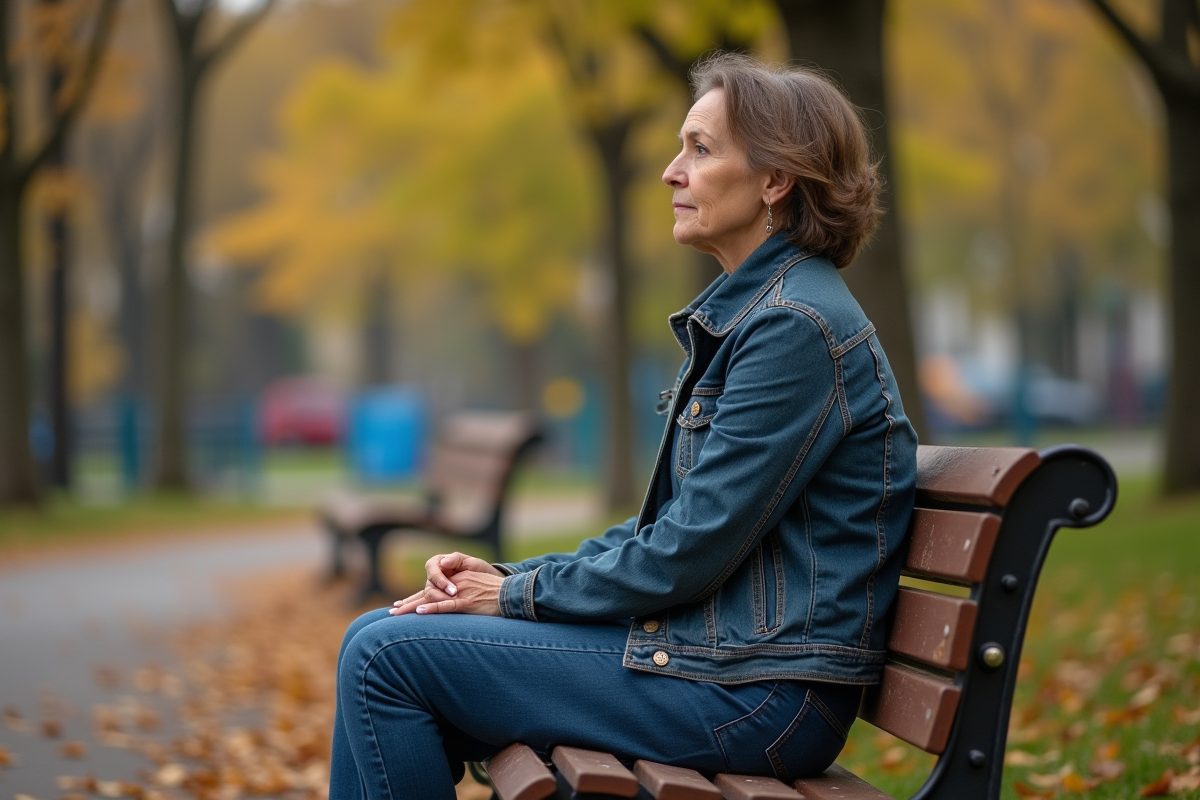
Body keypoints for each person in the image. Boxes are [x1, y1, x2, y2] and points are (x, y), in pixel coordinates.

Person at [328, 52, 918, 800]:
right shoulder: (761, 316)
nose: (672, 172)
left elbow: (686, 551)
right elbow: (668, 534)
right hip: (727, 663)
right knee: (371, 639)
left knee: (387, 661)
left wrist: (512, 598)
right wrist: (505, 577)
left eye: (700, 150)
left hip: (759, 696)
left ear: (776, 181)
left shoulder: (794, 329)